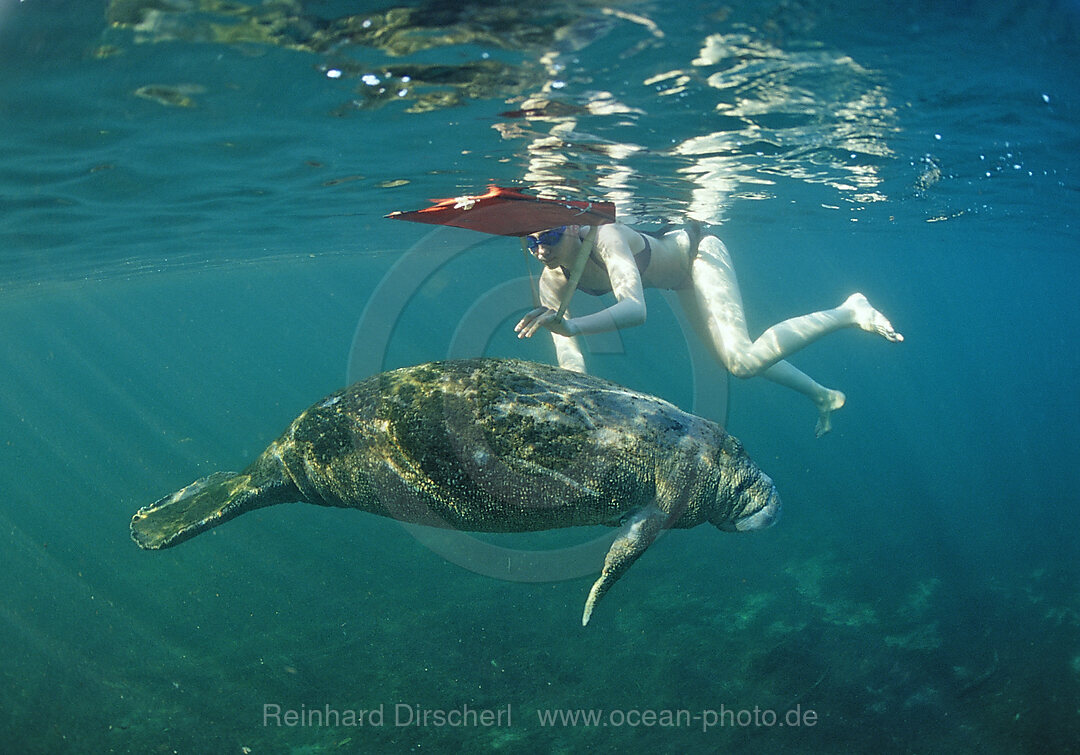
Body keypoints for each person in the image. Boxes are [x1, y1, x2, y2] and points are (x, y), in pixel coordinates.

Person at [514, 222, 903, 436]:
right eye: (530, 242)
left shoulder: (605, 237)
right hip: (679, 280)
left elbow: (635, 309)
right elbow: (569, 359)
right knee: (729, 356)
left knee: (742, 360)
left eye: (547, 236)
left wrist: (574, 326)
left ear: (570, 227)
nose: (540, 249)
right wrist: (567, 402)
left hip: (698, 251)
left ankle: (850, 310)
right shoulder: (553, 283)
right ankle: (822, 395)